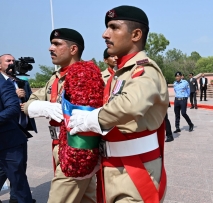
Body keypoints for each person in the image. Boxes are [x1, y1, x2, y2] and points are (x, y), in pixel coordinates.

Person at [67, 6, 169, 202]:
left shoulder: (144, 70)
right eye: (107, 27)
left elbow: (131, 104)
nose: (105, 34)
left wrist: (92, 118)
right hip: (114, 167)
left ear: (136, 34)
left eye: (114, 27)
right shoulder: (121, 73)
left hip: (136, 170)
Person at [23, 28, 97, 203]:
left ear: (73, 49)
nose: (50, 48)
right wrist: (44, 107)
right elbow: (28, 103)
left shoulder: (85, 76)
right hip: (58, 145)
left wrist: (77, 154)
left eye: (57, 44)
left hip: (76, 148)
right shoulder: (56, 77)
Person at [0, 54, 37, 203]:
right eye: (8, 61)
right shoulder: (5, 83)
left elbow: (21, 105)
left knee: (18, 172)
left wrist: (21, 98)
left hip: (16, 133)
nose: (11, 63)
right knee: (9, 171)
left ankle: (16, 198)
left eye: (12, 61)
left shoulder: (18, 82)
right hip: (8, 134)